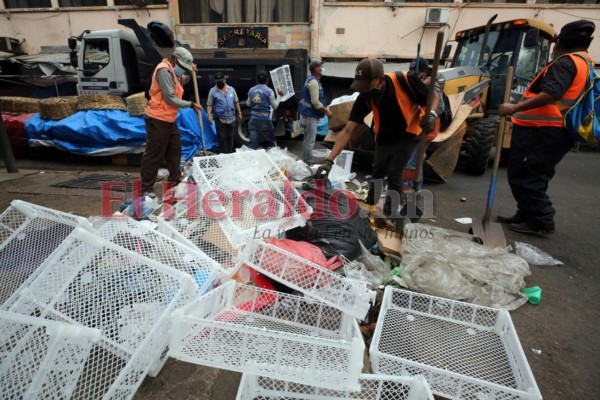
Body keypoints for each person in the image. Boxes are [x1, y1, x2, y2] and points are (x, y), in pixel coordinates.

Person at [497, 19, 595, 236]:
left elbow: (551, 94)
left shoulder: (565, 62)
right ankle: (526, 213)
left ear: (560, 42)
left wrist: (514, 107)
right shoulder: (584, 61)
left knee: (529, 175)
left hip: (544, 129)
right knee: (526, 172)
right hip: (551, 129)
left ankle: (541, 221)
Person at [316, 57, 437, 230]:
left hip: (408, 135)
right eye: (361, 88)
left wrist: (431, 114)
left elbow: (433, 96)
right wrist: (329, 160)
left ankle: (389, 213)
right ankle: (370, 206)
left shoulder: (405, 80)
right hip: (384, 137)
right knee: (377, 170)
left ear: (380, 80)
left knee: (395, 171)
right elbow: (348, 131)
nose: (364, 92)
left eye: (367, 87)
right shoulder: (365, 97)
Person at [141, 47, 202, 198]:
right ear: (174, 59)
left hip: (169, 118)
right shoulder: (164, 71)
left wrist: (190, 72)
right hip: (157, 118)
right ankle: (146, 188)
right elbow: (170, 98)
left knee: (175, 150)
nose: (183, 70)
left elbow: (181, 81)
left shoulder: (175, 72)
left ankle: (175, 184)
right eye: (182, 67)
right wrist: (191, 104)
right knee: (154, 154)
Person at [405, 57, 444, 192]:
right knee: (415, 160)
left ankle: (414, 191)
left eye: (417, 72)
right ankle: (413, 189)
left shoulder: (432, 85)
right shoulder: (414, 83)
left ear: (424, 72)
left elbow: (440, 108)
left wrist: (430, 113)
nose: (414, 75)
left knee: (413, 162)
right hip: (416, 129)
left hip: (426, 130)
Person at [298, 59, 333, 165]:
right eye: (321, 67)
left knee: (308, 140)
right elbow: (315, 102)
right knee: (309, 141)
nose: (323, 68)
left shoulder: (313, 80)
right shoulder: (313, 82)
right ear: (316, 69)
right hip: (309, 116)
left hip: (309, 115)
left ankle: (307, 160)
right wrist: (327, 112)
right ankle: (308, 162)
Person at [246, 71, 284, 149]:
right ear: (267, 80)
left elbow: (248, 104)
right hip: (264, 120)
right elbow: (275, 106)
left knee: (253, 143)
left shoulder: (251, 90)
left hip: (253, 120)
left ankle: (252, 159)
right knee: (271, 143)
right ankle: (273, 156)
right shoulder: (269, 91)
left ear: (257, 80)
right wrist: (279, 96)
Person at [207, 72, 243, 154]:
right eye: (217, 81)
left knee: (230, 137)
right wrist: (209, 115)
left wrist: (239, 113)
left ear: (224, 80)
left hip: (231, 118)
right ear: (215, 82)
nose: (219, 82)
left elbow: (236, 101)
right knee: (222, 138)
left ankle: (229, 153)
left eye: (221, 80)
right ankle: (224, 154)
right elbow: (209, 104)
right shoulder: (212, 91)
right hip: (220, 119)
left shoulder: (231, 89)